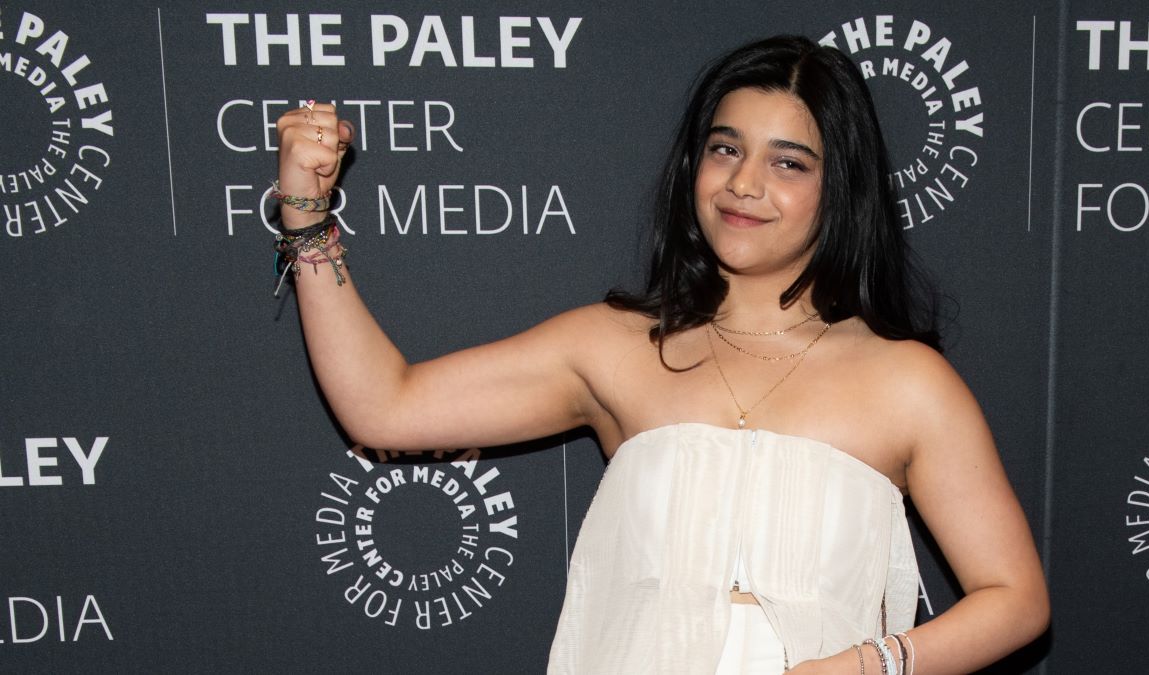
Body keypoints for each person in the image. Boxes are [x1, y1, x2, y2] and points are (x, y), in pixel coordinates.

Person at [273, 35, 1048, 675]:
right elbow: (385, 404)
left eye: (788, 162)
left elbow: (1015, 596)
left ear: (839, 189)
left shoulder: (906, 383)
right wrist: (307, 213)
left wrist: (869, 664)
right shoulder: (615, 347)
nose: (745, 184)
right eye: (725, 149)